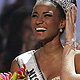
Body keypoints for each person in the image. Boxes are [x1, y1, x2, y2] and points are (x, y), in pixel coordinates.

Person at [10, 0, 80, 80]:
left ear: (62, 22)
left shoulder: (76, 60)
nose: (38, 21)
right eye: (35, 15)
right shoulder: (21, 63)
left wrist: (70, 42)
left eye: (47, 15)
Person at [3, 6, 38, 72]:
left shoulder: (48, 56)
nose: (32, 31)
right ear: (18, 31)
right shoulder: (4, 60)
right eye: (27, 27)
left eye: (35, 27)